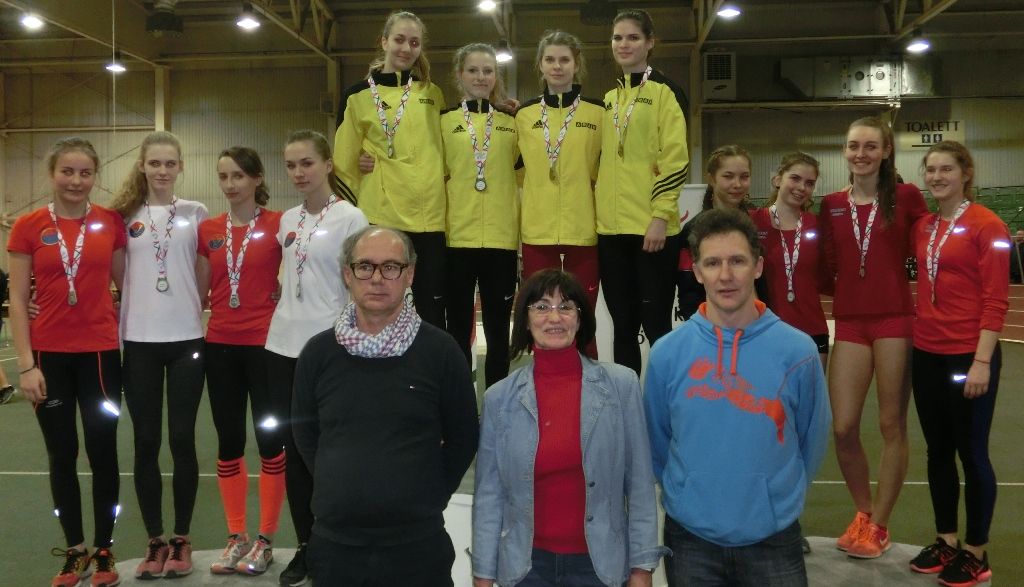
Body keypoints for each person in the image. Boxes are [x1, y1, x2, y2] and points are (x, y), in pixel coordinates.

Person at [644, 209, 831, 586]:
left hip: (774, 538)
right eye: (713, 263)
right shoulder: (667, 354)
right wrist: (689, 493)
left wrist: (773, 499)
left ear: (758, 267)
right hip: (691, 539)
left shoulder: (797, 352)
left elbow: (811, 440)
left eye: (737, 261)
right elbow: (657, 441)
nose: (725, 275)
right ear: (697, 272)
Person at [292, 226, 479, 586]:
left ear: (410, 275)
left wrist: (428, 493)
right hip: (335, 547)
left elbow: (464, 435)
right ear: (347, 274)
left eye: (391, 267)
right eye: (365, 266)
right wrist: (339, 485)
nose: (377, 278)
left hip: (418, 546)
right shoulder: (317, 353)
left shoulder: (440, 352)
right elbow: (305, 433)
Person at [472, 269, 666, 587]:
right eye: (541, 306)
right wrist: (483, 574)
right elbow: (489, 495)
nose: (554, 317)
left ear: (580, 318)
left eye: (565, 307)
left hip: (599, 567)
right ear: (525, 320)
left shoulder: (621, 386)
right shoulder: (499, 398)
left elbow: (640, 484)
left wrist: (642, 568)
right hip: (525, 569)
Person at [8, 137, 125, 587]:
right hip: (48, 358)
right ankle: (75, 550)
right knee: (61, 454)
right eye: (67, 172)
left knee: (103, 453)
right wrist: (26, 365)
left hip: (99, 357)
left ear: (95, 176)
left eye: (85, 173)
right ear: (52, 173)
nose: (76, 181)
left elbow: (129, 286)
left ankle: (104, 549)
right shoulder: (28, 226)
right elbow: (18, 301)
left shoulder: (110, 223)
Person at [817, 117, 929, 559]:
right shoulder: (831, 204)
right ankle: (863, 513)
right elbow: (826, 264)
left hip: (894, 320)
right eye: (853, 146)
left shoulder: (907, 197)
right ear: (844, 151)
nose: (860, 154)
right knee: (843, 426)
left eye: (869, 146)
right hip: (850, 322)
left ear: (886, 151)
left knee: (890, 424)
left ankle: (880, 524)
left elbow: (929, 245)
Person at [264, 129, 368, 587]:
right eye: (291, 165)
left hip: (330, 349)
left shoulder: (351, 217)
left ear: (327, 164)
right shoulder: (287, 219)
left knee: (333, 453)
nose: (298, 173)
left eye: (307, 163)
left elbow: (360, 282)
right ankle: (306, 546)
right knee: (295, 453)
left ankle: (339, 542)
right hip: (282, 347)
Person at [909, 141, 1009, 587]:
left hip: (969, 353)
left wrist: (982, 361)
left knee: (971, 452)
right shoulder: (925, 226)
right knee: (937, 451)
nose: (936, 177)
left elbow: (996, 299)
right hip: (926, 352)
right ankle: (946, 540)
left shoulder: (988, 224)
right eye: (930, 170)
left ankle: (976, 552)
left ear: (965, 173)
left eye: (946, 169)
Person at [111, 131, 209, 579]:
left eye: (170, 163)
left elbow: (204, 272)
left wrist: (188, 306)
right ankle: (155, 540)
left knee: (182, 440)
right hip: (139, 342)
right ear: (143, 166)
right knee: (146, 442)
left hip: (187, 340)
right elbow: (117, 276)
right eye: (155, 163)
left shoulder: (195, 213)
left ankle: (182, 538)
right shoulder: (123, 217)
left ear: (181, 166)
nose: (163, 171)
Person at [196, 147, 285, 576]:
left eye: (238, 176)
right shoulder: (208, 230)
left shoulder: (280, 224)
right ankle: (236, 537)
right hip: (220, 348)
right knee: (229, 442)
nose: (230, 184)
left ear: (256, 178)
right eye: (223, 176)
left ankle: (265, 539)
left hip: (266, 349)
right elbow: (197, 290)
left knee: (270, 442)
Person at [333, 10, 447, 328]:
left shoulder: (432, 94)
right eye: (399, 40)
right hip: (381, 216)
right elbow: (343, 163)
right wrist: (357, 209)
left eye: (414, 43)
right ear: (384, 41)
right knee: (379, 303)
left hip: (429, 218)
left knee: (431, 311)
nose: (406, 48)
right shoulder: (356, 96)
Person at [596, 9, 689, 376]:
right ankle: (627, 403)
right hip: (611, 232)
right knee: (623, 329)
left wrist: (659, 217)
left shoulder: (667, 92)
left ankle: (666, 403)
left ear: (650, 42)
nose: (624, 44)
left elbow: (675, 159)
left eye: (633, 37)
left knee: (657, 326)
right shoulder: (609, 98)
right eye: (618, 37)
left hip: (652, 231)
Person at [515, 30, 604, 358]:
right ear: (540, 65)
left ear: (576, 64)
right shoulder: (523, 115)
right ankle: (544, 379)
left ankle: (590, 381)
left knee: (582, 315)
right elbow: (512, 167)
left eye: (564, 59)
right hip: (537, 231)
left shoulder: (598, 113)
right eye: (550, 59)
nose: (557, 66)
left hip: (584, 230)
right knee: (540, 315)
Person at [441, 43, 520, 387]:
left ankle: (498, 403)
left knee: (500, 330)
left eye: (488, 71)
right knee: (458, 329)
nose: (481, 77)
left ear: (496, 76)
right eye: (473, 70)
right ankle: (460, 402)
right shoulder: (443, 122)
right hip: (457, 239)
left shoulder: (512, 123)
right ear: (460, 75)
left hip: (501, 241)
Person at [751, 152, 830, 368]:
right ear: (777, 179)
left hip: (812, 330)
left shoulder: (817, 225)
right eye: (795, 178)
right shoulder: (753, 221)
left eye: (809, 183)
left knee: (810, 390)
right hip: (767, 330)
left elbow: (827, 275)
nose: (801, 187)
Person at [676, 145, 752, 321]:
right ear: (711, 178)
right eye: (728, 176)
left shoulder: (756, 224)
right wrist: (702, 327)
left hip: (752, 325)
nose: (737, 184)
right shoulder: (693, 230)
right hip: (708, 326)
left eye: (744, 177)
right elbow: (688, 291)